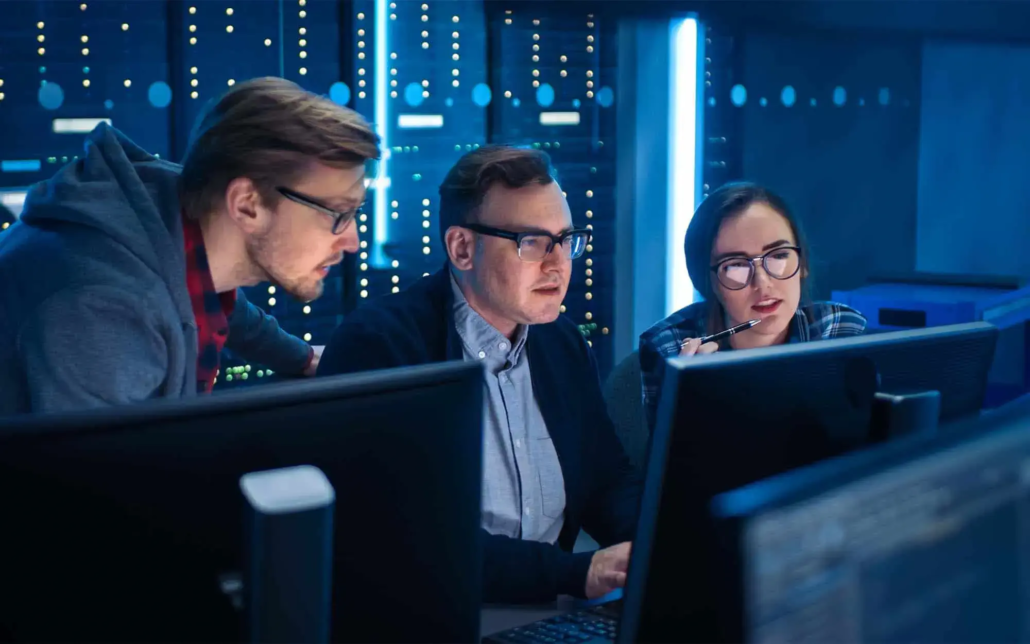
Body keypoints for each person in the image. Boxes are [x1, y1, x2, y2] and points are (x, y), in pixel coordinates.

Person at [318, 146, 642, 603]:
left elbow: (605, 479)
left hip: (546, 609)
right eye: (532, 242)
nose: (558, 263)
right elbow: (407, 540)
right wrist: (575, 573)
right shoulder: (381, 348)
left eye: (566, 239)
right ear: (462, 248)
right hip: (431, 616)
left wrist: (660, 543)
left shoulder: (562, 343)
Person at [0, 77, 379, 415]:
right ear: (247, 205)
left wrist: (300, 357)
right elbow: (98, 483)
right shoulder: (104, 309)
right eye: (338, 214)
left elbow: (229, 310)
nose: (353, 242)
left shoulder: (172, 226)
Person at [638, 182, 867, 431]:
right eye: (735, 265)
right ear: (709, 282)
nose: (762, 283)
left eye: (779, 256)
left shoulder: (840, 330)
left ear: (802, 263)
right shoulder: (669, 347)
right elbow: (671, 466)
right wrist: (692, 405)